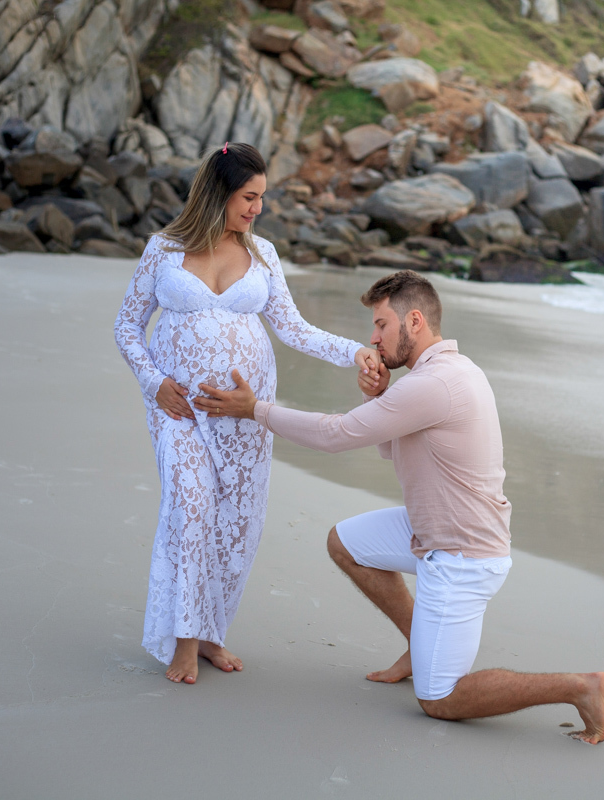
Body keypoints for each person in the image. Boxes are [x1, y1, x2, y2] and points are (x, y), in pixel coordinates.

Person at [193, 270, 604, 743]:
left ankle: (580, 687)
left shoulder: (436, 384)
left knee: (439, 699)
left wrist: (256, 410)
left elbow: (336, 435)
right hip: (431, 530)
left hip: (462, 556)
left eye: (381, 326)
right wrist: (383, 398)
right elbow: (395, 448)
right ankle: (420, 642)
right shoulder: (441, 375)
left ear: (415, 320)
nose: (373, 340)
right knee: (346, 543)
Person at [114, 143, 379, 684]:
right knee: (191, 510)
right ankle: (183, 640)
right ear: (218, 194)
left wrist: (355, 350)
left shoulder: (263, 256)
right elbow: (126, 326)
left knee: (236, 522)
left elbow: (295, 329)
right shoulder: (163, 250)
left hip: (245, 416)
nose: (258, 208)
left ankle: (212, 633)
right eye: (249, 197)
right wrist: (155, 381)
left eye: (262, 197)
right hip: (180, 410)